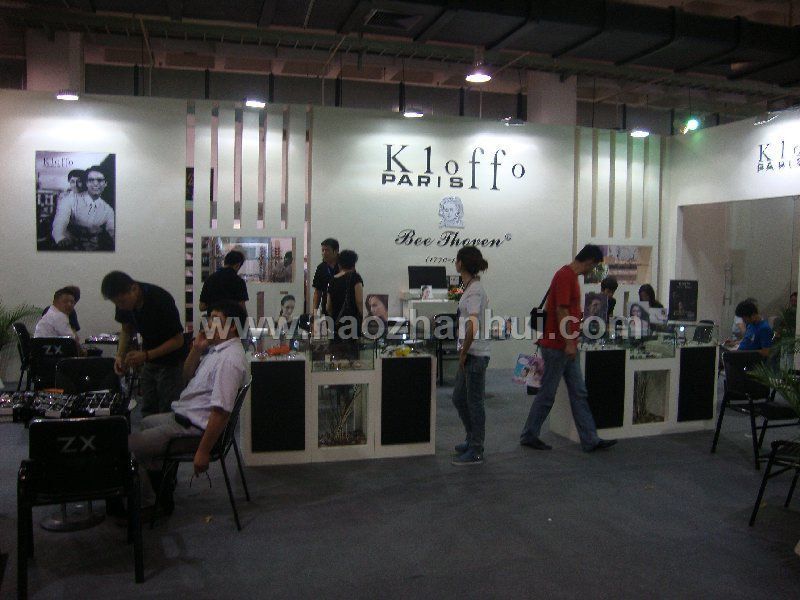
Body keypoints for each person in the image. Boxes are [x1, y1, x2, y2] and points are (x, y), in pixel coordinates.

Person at [127, 301, 248, 516]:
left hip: (192, 429)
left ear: (231, 326)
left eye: (215, 319)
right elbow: (186, 377)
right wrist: (196, 349)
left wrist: (202, 452)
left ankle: (150, 503)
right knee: (145, 422)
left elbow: (221, 412)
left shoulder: (229, 360)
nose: (208, 323)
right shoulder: (216, 350)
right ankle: (161, 486)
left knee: (129, 446)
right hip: (185, 415)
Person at [520, 244, 617, 453]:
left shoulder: (568, 277)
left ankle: (590, 439)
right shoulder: (565, 276)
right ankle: (529, 434)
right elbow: (561, 310)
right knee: (548, 393)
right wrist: (569, 342)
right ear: (590, 261)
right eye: (594, 266)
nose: (593, 271)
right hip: (559, 347)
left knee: (578, 392)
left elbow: (559, 310)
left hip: (563, 345)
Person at [101, 271, 185, 416]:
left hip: (171, 363)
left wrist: (146, 355)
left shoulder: (160, 299)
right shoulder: (123, 302)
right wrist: (120, 356)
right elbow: (126, 330)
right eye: (116, 303)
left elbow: (178, 341)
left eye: (122, 302)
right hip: (149, 360)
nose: (120, 307)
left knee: (168, 410)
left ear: (134, 289)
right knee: (148, 408)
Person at [451, 246, 491, 465]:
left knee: (474, 402)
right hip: (469, 352)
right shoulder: (470, 288)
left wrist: (464, 351)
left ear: (461, 263)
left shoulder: (474, 290)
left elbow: (473, 324)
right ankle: (471, 437)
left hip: (475, 353)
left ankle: (476, 449)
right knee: (459, 398)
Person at [51, 165, 115, 250]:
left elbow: (112, 229)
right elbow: (61, 220)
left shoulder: (106, 208)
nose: (76, 185)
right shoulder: (68, 200)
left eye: (79, 181)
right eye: (72, 182)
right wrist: (60, 237)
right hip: (72, 244)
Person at [326, 249, 364, 344]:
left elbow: (328, 307)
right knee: (353, 350)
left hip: (336, 324)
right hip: (352, 323)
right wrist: (362, 317)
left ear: (339, 264)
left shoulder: (333, 280)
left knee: (336, 350)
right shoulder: (355, 277)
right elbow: (359, 301)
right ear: (353, 264)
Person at [312, 238, 340, 315]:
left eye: (327, 250)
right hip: (326, 310)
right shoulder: (321, 268)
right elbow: (318, 292)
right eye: (323, 250)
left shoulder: (345, 266)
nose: (324, 253)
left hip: (344, 310)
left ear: (336, 251)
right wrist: (314, 313)